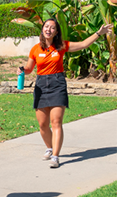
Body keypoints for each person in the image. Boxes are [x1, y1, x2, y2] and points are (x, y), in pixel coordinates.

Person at [19, 19, 113, 168]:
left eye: (52, 27)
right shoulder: (35, 49)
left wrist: (98, 33)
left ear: (56, 32)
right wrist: (22, 70)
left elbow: (83, 44)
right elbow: (30, 68)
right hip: (41, 85)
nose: (48, 29)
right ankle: (50, 148)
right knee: (43, 124)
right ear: (42, 29)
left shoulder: (62, 46)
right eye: (46, 26)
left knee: (56, 122)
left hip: (57, 84)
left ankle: (55, 156)